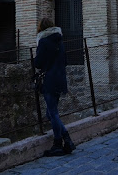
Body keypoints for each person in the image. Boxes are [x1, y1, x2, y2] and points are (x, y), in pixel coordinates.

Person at [34, 18, 75, 156]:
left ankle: (59, 143)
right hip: (60, 79)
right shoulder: (60, 41)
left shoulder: (43, 41)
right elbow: (65, 61)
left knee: (52, 113)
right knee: (51, 113)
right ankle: (66, 140)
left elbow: (38, 63)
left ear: (41, 28)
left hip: (49, 81)